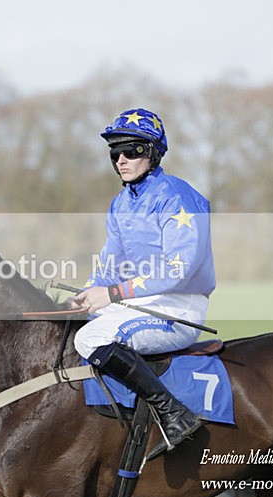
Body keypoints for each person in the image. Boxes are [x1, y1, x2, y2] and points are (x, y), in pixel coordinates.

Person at [69, 108, 216, 460]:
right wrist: (86, 294)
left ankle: (173, 413)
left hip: (179, 307)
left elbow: (177, 268)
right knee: (75, 325)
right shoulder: (120, 204)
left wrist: (113, 294)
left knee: (90, 338)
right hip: (144, 302)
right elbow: (110, 264)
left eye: (131, 150)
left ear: (151, 152)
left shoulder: (178, 196)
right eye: (114, 153)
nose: (121, 159)